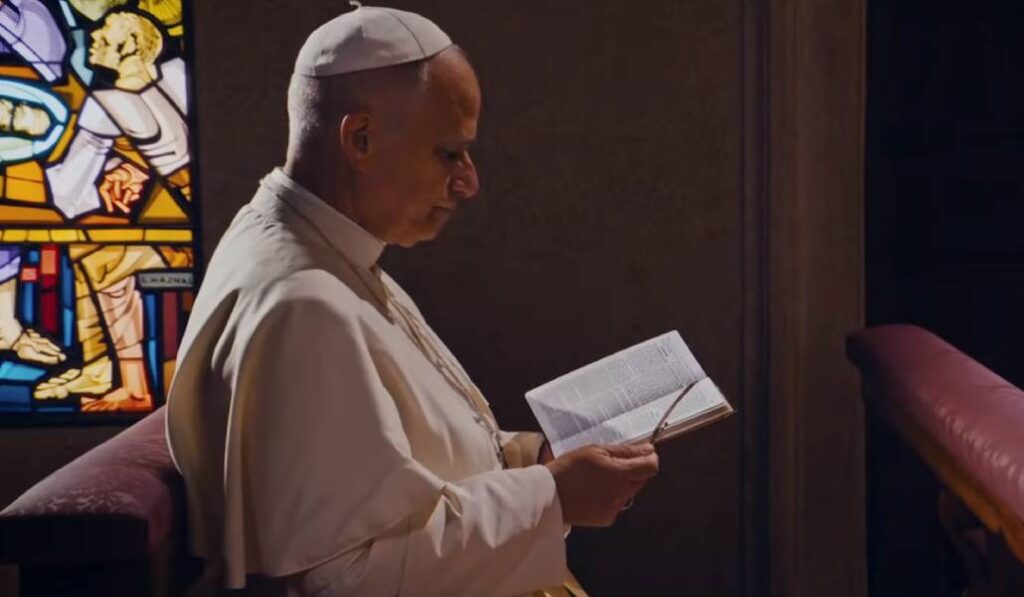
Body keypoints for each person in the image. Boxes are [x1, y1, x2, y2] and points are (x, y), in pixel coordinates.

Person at [166, 6, 659, 596]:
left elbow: (408, 470)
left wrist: (537, 459)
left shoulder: (312, 241)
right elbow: (344, 578)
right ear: (361, 138)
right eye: (450, 153)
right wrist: (553, 496)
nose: (469, 181)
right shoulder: (303, 304)